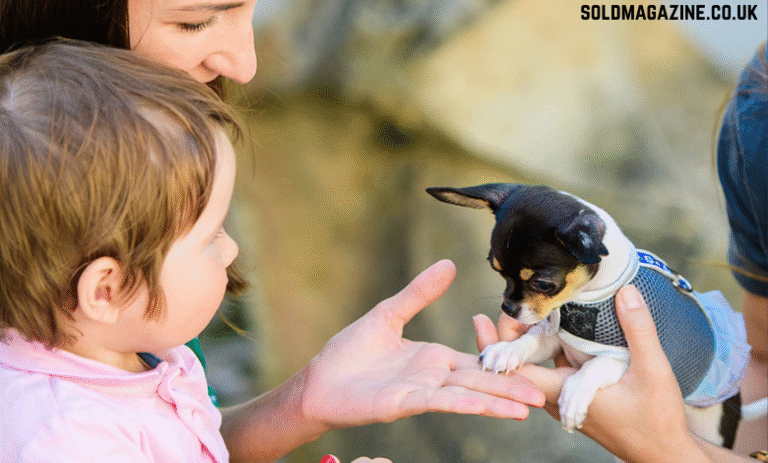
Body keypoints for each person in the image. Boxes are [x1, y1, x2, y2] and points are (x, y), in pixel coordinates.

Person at [0, 2, 547, 461]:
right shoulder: (63, 434)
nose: (245, 63)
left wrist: (307, 399)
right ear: (105, 289)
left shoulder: (117, 345)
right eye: (194, 22)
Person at [475, 43, 768, 462]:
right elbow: (761, 359)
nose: (511, 305)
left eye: (540, 284)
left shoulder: (757, 118)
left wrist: (670, 451)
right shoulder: (758, 122)